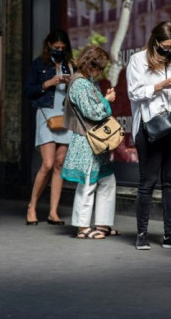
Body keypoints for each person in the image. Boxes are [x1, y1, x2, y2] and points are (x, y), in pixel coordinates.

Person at [126, 21, 171, 251]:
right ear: (156, 42)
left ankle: (170, 235)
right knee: (148, 182)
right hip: (149, 126)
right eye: (167, 46)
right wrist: (160, 85)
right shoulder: (137, 60)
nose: (170, 51)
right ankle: (142, 234)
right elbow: (134, 93)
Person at [61, 45, 118, 239]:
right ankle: (82, 227)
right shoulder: (80, 84)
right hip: (87, 141)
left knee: (106, 180)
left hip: (93, 141)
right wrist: (107, 100)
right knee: (88, 182)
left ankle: (102, 224)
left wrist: (103, 98)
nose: (101, 72)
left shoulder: (86, 81)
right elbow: (92, 112)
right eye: (100, 68)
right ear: (91, 65)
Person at [24, 30, 74, 225]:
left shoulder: (71, 65)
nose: (60, 51)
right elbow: (29, 91)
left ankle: (53, 212)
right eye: (56, 48)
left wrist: (73, 83)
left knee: (59, 165)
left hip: (66, 116)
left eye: (63, 48)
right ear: (49, 46)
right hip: (46, 114)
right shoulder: (39, 64)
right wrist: (48, 83)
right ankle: (32, 205)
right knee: (47, 163)